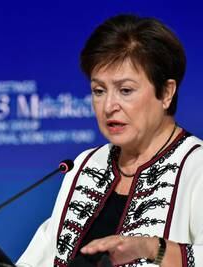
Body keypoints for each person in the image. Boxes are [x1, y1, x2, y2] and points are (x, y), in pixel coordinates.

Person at [16, 14, 202, 267]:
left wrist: (150, 248)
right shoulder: (86, 164)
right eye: (99, 91)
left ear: (167, 92)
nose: (109, 106)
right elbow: (42, 256)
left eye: (125, 90)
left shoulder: (196, 166)